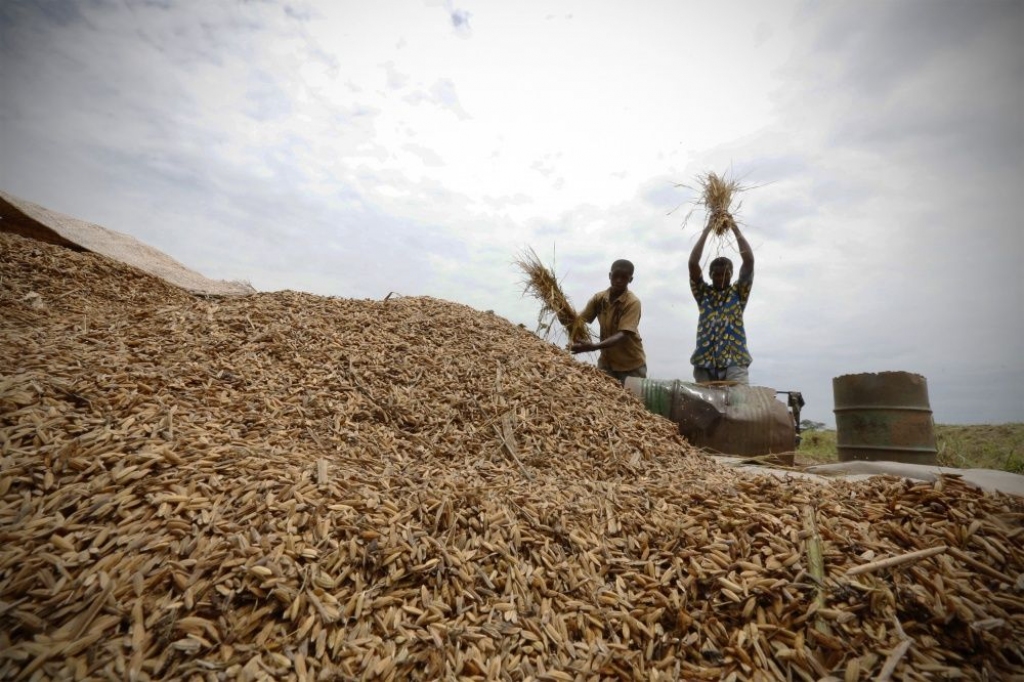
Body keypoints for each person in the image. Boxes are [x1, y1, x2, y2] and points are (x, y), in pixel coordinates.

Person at [688, 222, 754, 384]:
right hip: (704, 362)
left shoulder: (738, 293)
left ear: (731, 274)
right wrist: (708, 229)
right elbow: (693, 264)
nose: (721, 278)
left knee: (738, 399)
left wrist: (734, 227)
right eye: (717, 274)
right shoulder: (703, 294)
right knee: (703, 400)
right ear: (710, 275)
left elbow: (749, 261)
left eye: (725, 274)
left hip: (735, 360)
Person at [570, 259, 647, 384]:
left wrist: (594, 347)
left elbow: (623, 334)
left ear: (630, 279)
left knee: (631, 396)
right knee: (601, 394)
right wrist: (563, 311)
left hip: (630, 365)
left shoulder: (632, 302)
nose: (619, 280)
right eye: (616, 276)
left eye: (624, 277)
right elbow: (580, 319)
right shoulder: (599, 299)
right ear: (610, 275)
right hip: (607, 363)